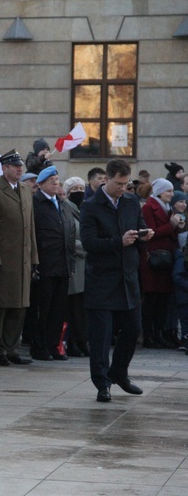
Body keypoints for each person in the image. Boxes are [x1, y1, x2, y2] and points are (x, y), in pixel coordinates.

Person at [80, 158, 153, 402]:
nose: (123, 188)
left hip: (127, 277)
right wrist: (118, 242)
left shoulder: (131, 202)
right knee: (101, 337)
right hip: (102, 279)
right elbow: (89, 243)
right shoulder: (91, 205)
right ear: (107, 179)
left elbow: (139, 226)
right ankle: (102, 383)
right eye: (119, 184)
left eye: (126, 184)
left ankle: (119, 373)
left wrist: (144, 235)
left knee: (132, 328)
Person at [0, 150, 37, 366]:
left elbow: (29, 226)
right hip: (4, 258)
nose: (19, 169)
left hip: (22, 259)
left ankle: (13, 348)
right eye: (15, 166)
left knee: (20, 306)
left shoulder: (25, 190)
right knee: (0, 306)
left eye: (20, 165)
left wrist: (34, 259)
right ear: (4, 168)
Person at [31, 166, 76, 361]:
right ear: (41, 184)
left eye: (57, 180)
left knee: (58, 310)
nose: (56, 183)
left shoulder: (62, 204)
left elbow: (70, 235)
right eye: (52, 181)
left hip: (63, 264)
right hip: (45, 264)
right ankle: (39, 347)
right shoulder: (36, 203)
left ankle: (52, 345)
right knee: (43, 309)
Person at [140, 178, 181, 348]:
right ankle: (149, 336)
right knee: (151, 301)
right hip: (153, 261)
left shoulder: (167, 209)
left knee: (162, 302)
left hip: (165, 260)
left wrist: (177, 225)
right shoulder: (149, 207)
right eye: (168, 191)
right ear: (159, 192)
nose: (171, 194)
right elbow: (151, 232)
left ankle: (159, 333)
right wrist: (171, 225)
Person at [62, 177, 89, 357]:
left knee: (84, 309)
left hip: (87, 268)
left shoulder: (85, 209)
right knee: (73, 309)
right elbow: (68, 237)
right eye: (74, 188)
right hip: (74, 265)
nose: (79, 191)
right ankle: (72, 342)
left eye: (81, 187)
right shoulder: (65, 209)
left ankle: (82, 341)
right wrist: (88, 247)